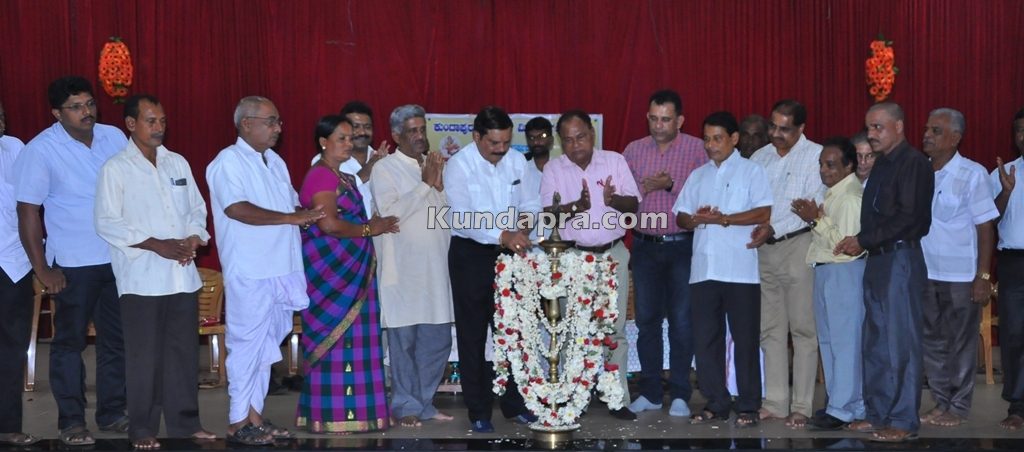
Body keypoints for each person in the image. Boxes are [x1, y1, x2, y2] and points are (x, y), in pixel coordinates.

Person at [94, 95, 217, 449]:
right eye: (151, 121)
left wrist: (193, 238)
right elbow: (106, 222)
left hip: (182, 274)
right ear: (131, 124)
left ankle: (185, 424)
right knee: (143, 357)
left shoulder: (177, 162)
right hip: (141, 278)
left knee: (182, 354)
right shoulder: (116, 168)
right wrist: (156, 244)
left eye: (162, 120)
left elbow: (197, 209)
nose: (159, 127)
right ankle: (142, 428)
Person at [13, 76, 129, 446]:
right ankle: (72, 422)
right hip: (73, 264)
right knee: (69, 344)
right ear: (56, 113)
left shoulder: (114, 137)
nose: (87, 112)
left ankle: (113, 412)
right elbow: (27, 212)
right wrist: (42, 269)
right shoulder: (41, 150)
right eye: (76, 107)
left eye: (90, 103)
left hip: (118, 258)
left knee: (117, 341)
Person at [206, 96, 325, 445]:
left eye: (278, 122)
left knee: (264, 348)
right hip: (252, 269)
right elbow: (236, 209)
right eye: (270, 121)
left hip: (282, 268)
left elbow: (292, 204)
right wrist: (291, 218)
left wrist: (305, 214)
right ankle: (237, 422)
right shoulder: (227, 162)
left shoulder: (275, 161)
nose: (278, 128)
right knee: (246, 347)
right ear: (246, 124)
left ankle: (254, 416)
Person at [835, 102, 933, 443]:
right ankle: (877, 414)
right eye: (869, 127)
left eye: (878, 127)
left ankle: (904, 420)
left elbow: (909, 217)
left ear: (899, 127)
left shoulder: (914, 163)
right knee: (875, 342)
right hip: (877, 260)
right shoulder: (881, 165)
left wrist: (862, 240)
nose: (872, 134)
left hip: (900, 259)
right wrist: (864, 242)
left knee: (901, 343)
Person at [296, 114, 398, 433]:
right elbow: (328, 225)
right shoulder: (320, 176)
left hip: (355, 270)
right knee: (336, 340)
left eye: (350, 138)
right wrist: (370, 229)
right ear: (323, 142)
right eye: (341, 138)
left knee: (360, 340)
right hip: (332, 273)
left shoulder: (346, 178)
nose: (348, 143)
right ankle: (329, 414)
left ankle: (364, 413)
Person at [445, 106, 541, 433]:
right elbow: (462, 218)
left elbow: (531, 203)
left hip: (511, 254)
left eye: (506, 142)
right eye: (494, 143)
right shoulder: (459, 165)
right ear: (476, 137)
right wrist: (503, 234)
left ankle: (515, 405)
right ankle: (478, 410)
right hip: (471, 255)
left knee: (513, 332)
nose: (501, 149)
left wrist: (524, 227)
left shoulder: (517, 161)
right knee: (472, 334)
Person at [673, 111, 771, 428]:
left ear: (734, 139)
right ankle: (716, 402)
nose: (710, 145)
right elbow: (681, 216)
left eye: (717, 138)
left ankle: (748, 404)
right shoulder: (698, 175)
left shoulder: (752, 171)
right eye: (706, 139)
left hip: (740, 270)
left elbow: (763, 211)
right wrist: (696, 218)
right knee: (705, 340)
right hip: (704, 269)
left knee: (745, 339)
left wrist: (724, 219)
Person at [541, 109, 641, 421]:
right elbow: (548, 216)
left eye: (581, 137)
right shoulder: (554, 169)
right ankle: (575, 399)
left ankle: (616, 398)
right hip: (573, 257)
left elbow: (634, 205)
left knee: (614, 330)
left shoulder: (614, 161)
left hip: (612, 254)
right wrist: (576, 207)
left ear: (592, 134)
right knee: (575, 331)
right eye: (568, 140)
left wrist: (613, 201)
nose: (576, 145)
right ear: (561, 142)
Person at [622, 89, 706, 417]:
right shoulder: (633, 150)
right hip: (644, 245)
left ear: (680, 120)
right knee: (647, 321)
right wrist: (641, 189)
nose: (659, 126)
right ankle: (651, 392)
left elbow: (705, 195)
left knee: (682, 321)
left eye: (666, 120)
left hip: (683, 245)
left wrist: (670, 185)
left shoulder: (697, 149)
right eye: (654, 119)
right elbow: (623, 197)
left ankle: (681, 394)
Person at [370, 104, 454, 427]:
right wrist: (425, 184)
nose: (420, 136)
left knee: (438, 342)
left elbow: (445, 219)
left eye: (422, 129)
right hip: (402, 272)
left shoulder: (432, 165)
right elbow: (390, 215)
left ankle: (424, 403)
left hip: (436, 271)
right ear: (396, 136)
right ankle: (405, 405)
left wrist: (439, 188)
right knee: (404, 344)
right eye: (412, 131)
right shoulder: (385, 169)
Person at [918, 108, 998, 428]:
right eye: (927, 129)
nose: (927, 135)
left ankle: (959, 407)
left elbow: (985, 227)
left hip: (961, 276)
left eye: (936, 131)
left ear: (955, 138)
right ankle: (941, 402)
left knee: (960, 343)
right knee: (931, 340)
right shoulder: (920, 171)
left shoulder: (973, 173)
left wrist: (983, 276)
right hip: (925, 272)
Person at [749, 99, 824, 428]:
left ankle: (802, 405)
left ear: (801, 128)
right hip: (763, 251)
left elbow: (810, 207)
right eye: (773, 126)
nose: (776, 134)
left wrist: (772, 228)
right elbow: (752, 204)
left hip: (799, 246)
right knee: (770, 329)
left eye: (785, 129)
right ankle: (775, 402)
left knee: (803, 329)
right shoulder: (759, 157)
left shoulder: (816, 156)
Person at [791, 137, 866, 431]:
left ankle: (843, 408)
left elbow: (845, 246)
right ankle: (843, 404)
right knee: (830, 341)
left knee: (844, 343)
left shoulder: (850, 198)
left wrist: (815, 220)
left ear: (849, 166)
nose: (824, 170)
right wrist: (815, 218)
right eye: (822, 164)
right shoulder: (833, 194)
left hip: (843, 272)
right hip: (827, 271)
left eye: (831, 165)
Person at [0, 99, 40, 446]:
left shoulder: (14, 148)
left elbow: (31, 204)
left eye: (0, 115)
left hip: (13, 265)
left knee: (12, 349)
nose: (1, 121)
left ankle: (8, 425)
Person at [991, 107, 1024, 430]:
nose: (1023, 136)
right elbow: (989, 220)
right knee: (1014, 334)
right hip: (1014, 262)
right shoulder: (1003, 173)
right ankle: (1018, 405)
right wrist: (1006, 191)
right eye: (1019, 130)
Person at [311, 101, 388, 216]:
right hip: (345, 226)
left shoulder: (384, 159)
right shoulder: (325, 160)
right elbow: (330, 202)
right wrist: (363, 174)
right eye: (355, 127)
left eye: (367, 127)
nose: (362, 132)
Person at [522, 116, 553, 203]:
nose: (536, 142)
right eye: (531, 138)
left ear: (551, 140)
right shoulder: (521, 170)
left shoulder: (560, 169)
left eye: (542, 136)